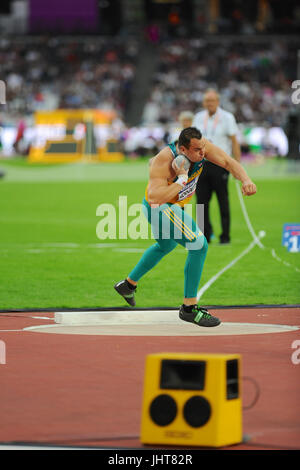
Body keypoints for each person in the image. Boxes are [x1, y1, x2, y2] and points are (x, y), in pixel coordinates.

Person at [114, 127, 256, 327]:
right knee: (199, 244)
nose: (203, 153)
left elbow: (227, 161)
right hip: (160, 208)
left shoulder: (201, 147)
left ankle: (128, 285)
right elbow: (155, 198)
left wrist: (246, 180)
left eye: (203, 147)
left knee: (166, 246)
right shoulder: (164, 160)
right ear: (183, 149)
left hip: (167, 207)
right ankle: (189, 308)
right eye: (197, 150)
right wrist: (181, 180)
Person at [193, 89, 241, 244]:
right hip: (201, 164)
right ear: (204, 102)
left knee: (223, 200)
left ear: (218, 102)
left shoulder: (227, 117)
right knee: (201, 202)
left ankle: (225, 236)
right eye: (207, 101)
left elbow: (234, 141)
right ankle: (204, 235)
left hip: (220, 164)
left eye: (212, 101)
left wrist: (236, 167)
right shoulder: (199, 117)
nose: (210, 104)